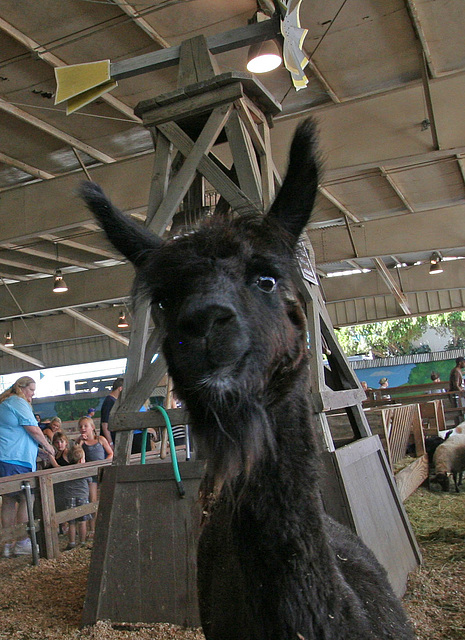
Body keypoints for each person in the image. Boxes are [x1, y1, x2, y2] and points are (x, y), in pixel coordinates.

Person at [0, 376, 55, 558]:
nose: (32, 394)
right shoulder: (18, 402)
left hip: (6, 458)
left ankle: (7, 543)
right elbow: (33, 429)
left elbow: (16, 434)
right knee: (27, 497)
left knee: (8, 500)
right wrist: (48, 447)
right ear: (22, 388)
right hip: (17, 459)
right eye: (31, 390)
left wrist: (37, 451)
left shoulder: (5, 402)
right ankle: (22, 542)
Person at [76, 416, 113, 536]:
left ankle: (107, 524)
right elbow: (78, 458)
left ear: (92, 427)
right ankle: (93, 528)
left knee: (106, 497)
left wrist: (104, 464)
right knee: (92, 500)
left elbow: (110, 453)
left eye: (85, 426)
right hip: (90, 475)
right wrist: (80, 443)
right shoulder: (81, 443)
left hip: (103, 472)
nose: (83, 428)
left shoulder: (100, 439)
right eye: (80, 426)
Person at [60, 444, 91, 550]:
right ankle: (82, 542)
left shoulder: (67, 470)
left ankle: (71, 542)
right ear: (81, 460)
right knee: (82, 521)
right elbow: (89, 480)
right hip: (82, 496)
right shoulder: (84, 470)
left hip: (69, 496)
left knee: (71, 521)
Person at [99, 377, 124, 447]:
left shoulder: (114, 401)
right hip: (109, 441)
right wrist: (110, 443)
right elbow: (104, 424)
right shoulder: (109, 402)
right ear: (120, 388)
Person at [449, 356, 465, 425]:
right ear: (460, 363)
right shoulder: (456, 371)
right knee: (459, 413)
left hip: (458, 395)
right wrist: (461, 393)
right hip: (456, 395)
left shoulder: (457, 371)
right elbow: (456, 384)